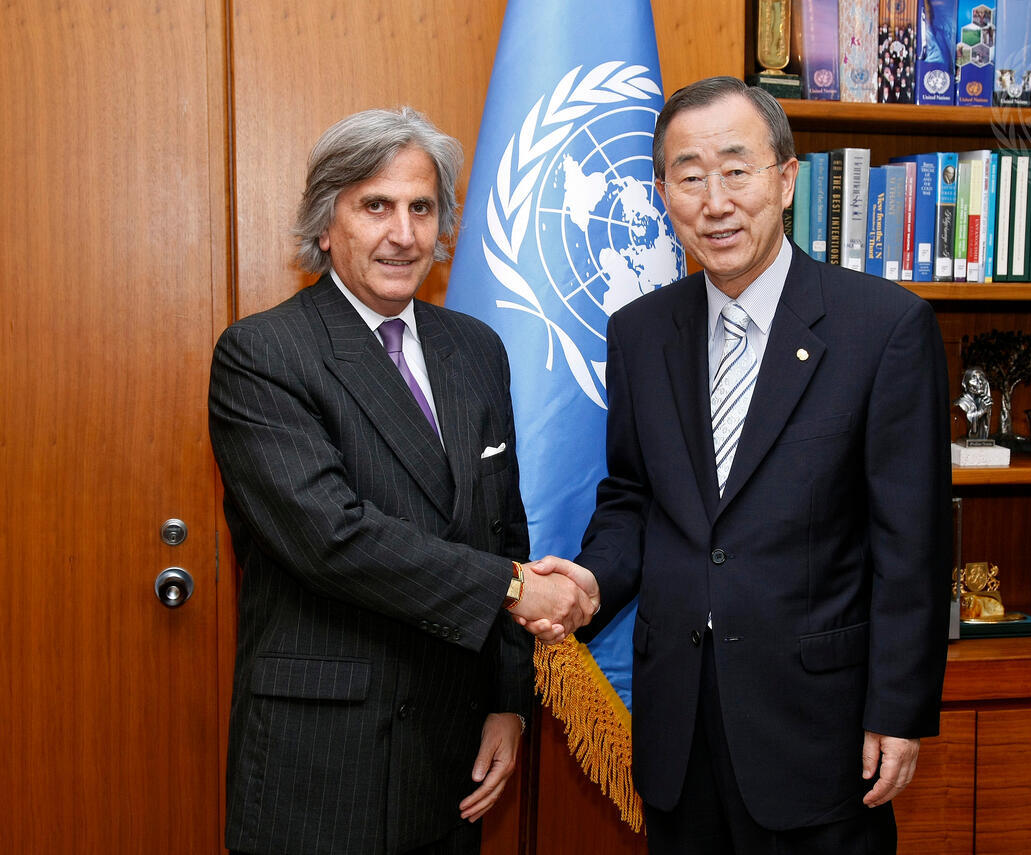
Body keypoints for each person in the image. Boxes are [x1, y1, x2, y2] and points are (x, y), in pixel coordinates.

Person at [547, 76, 951, 854]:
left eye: (737, 170)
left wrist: (898, 710)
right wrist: (591, 581)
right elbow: (633, 498)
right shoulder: (639, 332)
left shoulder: (884, 327)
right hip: (678, 726)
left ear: (786, 179)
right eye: (690, 177)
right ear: (662, 195)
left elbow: (913, 545)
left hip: (819, 729)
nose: (716, 202)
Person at [209, 107, 597, 855]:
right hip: (322, 765)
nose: (404, 233)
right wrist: (516, 588)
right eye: (375, 206)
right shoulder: (263, 354)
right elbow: (333, 538)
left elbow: (502, 529)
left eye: (422, 208)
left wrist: (509, 703)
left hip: (450, 757)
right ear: (327, 225)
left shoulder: (475, 349)